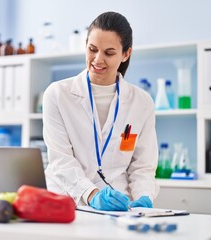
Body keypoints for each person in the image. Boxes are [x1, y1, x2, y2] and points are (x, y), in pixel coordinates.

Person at [42, 11, 159, 211]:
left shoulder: (142, 102)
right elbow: (61, 159)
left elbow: (143, 166)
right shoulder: (57, 94)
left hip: (120, 206)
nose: (98, 59)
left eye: (109, 53)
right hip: (68, 202)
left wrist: (144, 197)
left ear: (126, 54)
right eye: (92, 49)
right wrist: (92, 195)